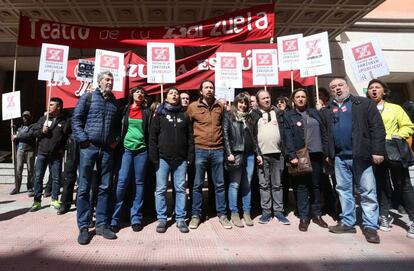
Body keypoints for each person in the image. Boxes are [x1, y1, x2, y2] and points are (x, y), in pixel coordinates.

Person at [324, 78, 385, 244]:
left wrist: (378, 151)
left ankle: (370, 226)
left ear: (347, 86)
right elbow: (327, 134)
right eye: (333, 87)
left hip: (362, 155)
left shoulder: (364, 104)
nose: (337, 89)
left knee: (367, 191)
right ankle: (348, 222)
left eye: (340, 85)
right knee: (344, 191)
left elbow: (377, 128)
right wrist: (329, 153)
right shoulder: (329, 108)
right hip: (339, 157)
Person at [72, 71, 121, 245]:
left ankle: (101, 224)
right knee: (84, 187)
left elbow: (118, 126)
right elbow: (76, 120)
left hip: (107, 150)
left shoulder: (115, 102)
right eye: (107, 79)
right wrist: (83, 140)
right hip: (89, 147)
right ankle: (84, 227)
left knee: (105, 187)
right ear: (99, 82)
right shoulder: (88, 98)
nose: (110, 82)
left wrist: (115, 141)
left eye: (112, 80)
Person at [366, 79, 414, 238]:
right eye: (371, 88)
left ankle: (412, 219)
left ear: (384, 91)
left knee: (404, 184)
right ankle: (384, 215)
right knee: (381, 184)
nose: (374, 90)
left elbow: (408, 125)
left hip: (394, 149)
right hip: (375, 151)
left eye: (377, 88)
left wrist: (397, 135)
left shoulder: (395, 108)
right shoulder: (366, 109)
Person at [187, 79, 232, 230]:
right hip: (200, 150)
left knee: (219, 185)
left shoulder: (220, 106)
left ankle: (222, 215)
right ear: (201, 91)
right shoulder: (192, 107)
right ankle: (195, 215)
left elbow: (225, 126)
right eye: (206, 87)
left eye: (211, 87)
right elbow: (186, 129)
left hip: (218, 150)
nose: (209, 90)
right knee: (197, 185)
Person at [282, 89, 329, 231]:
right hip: (300, 156)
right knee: (302, 187)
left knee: (315, 186)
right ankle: (303, 216)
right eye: (298, 97)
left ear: (307, 99)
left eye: (303, 96)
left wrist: (326, 153)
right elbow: (287, 137)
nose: (301, 99)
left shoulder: (315, 113)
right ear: (293, 99)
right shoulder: (288, 115)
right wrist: (292, 156)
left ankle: (317, 215)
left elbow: (324, 133)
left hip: (316, 155)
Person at [149, 87, 194, 233]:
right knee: (161, 189)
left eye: (176, 93)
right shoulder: (160, 114)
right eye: (171, 93)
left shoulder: (184, 115)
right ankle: (162, 218)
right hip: (162, 159)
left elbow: (190, 138)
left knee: (180, 189)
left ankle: (181, 219)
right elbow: (152, 137)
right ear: (166, 97)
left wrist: (190, 155)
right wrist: (154, 156)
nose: (174, 95)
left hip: (180, 160)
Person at [110, 86, 151, 234]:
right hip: (126, 150)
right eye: (137, 91)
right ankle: (115, 218)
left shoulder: (147, 112)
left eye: (142, 92)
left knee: (139, 184)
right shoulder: (124, 110)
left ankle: (136, 218)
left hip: (142, 151)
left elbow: (149, 132)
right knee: (121, 183)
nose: (140, 94)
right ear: (132, 94)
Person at [223, 93, 262, 227]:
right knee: (234, 185)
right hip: (236, 154)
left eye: (245, 103)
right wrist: (229, 152)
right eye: (241, 102)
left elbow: (255, 137)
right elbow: (226, 135)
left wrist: (258, 153)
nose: (243, 105)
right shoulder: (229, 116)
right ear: (236, 103)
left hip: (250, 155)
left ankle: (246, 212)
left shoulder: (250, 118)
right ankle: (234, 213)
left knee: (247, 185)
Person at [251, 89, 290, 225]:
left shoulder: (279, 113)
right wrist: (257, 153)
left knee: (277, 185)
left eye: (268, 97)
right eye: (263, 98)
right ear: (258, 101)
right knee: (264, 185)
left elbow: (285, 134)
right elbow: (252, 136)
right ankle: (266, 212)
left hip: (278, 154)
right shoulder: (254, 115)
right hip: (262, 156)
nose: (267, 100)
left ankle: (279, 212)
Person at [30, 98, 68, 212]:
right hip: (42, 153)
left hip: (56, 155)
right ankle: (37, 201)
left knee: (56, 178)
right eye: (49, 104)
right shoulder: (43, 119)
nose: (49, 106)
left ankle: (54, 200)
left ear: (58, 107)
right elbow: (33, 132)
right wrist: (42, 131)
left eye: (51, 105)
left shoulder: (64, 121)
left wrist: (62, 148)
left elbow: (67, 137)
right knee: (38, 178)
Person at [11, 110, 36, 195]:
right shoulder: (19, 128)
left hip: (30, 150)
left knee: (30, 170)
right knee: (18, 169)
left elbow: (28, 135)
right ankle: (17, 187)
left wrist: (17, 136)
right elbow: (16, 138)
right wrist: (13, 130)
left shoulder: (33, 126)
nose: (25, 118)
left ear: (30, 117)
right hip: (20, 150)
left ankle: (30, 187)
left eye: (27, 117)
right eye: (24, 117)